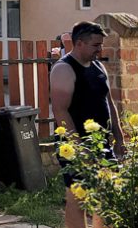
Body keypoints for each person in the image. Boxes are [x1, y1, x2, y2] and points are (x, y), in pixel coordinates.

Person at [50, 21, 124, 228]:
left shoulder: (98, 66)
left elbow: (109, 102)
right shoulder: (64, 69)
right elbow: (60, 111)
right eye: (96, 45)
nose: (100, 49)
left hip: (102, 141)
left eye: (101, 45)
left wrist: (119, 136)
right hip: (76, 144)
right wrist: (78, 147)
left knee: (107, 194)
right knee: (78, 196)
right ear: (80, 43)